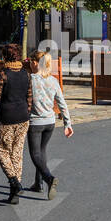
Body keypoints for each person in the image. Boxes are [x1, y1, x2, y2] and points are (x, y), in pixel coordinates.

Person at [0, 43, 32, 204]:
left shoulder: (3, 74)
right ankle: (15, 193)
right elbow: (29, 97)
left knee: (1, 151)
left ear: (5, 56)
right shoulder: (26, 73)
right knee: (17, 153)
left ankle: (14, 181)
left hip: (6, 118)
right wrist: (27, 113)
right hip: (23, 118)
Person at [26, 50, 73, 199]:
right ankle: (38, 183)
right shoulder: (53, 80)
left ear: (35, 63)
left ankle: (49, 178)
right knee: (42, 151)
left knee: (35, 154)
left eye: (31, 62)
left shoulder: (31, 79)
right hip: (50, 122)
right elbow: (61, 103)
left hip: (35, 122)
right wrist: (68, 123)